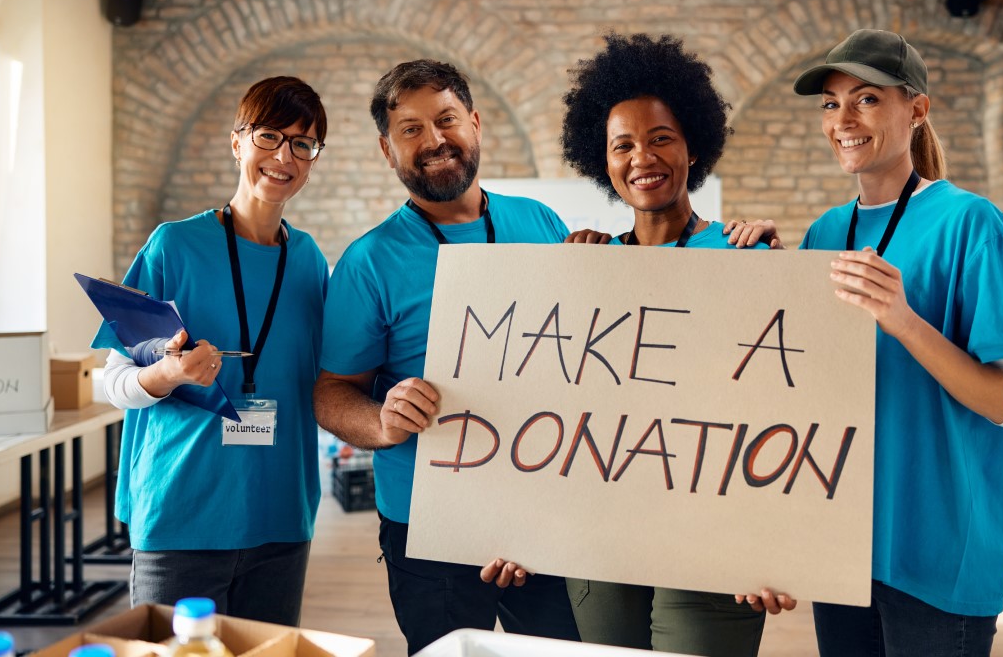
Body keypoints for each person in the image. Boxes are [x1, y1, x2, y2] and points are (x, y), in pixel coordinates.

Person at [481, 33, 795, 657]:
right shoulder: (584, 265)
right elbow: (547, 404)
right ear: (603, 160)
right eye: (622, 145)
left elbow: (781, 412)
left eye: (661, 138)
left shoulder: (746, 256)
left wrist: (777, 546)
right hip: (598, 540)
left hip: (715, 541)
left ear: (692, 146)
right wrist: (517, 524)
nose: (642, 157)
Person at [312, 59, 582, 655]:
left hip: (543, 509)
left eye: (446, 119)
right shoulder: (369, 262)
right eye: (410, 129)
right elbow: (331, 391)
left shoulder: (539, 222)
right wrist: (379, 423)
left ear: (476, 124)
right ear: (389, 151)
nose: (433, 141)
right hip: (429, 523)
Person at [793, 29, 1003, 656]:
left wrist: (901, 317)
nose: (843, 119)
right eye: (830, 103)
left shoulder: (970, 223)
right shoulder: (824, 232)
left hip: (938, 554)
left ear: (917, 109)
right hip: (844, 550)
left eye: (866, 99)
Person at [92, 76, 330, 625]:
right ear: (237, 143)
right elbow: (111, 382)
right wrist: (168, 374)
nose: (284, 156)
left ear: (314, 158)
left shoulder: (310, 260)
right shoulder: (174, 246)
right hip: (182, 516)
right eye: (269, 136)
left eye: (303, 143)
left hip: (281, 517)